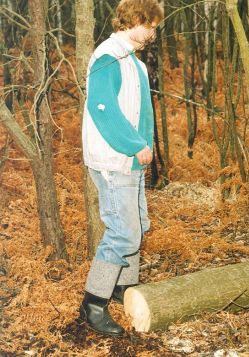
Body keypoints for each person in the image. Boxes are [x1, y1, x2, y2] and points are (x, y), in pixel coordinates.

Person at [79, 0, 163, 336]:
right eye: (152, 25)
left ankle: (122, 287)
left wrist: (145, 150)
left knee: (138, 226)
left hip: (130, 161)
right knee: (122, 232)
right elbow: (103, 111)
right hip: (113, 160)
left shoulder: (134, 62)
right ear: (137, 20)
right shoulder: (108, 56)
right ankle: (93, 304)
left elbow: (141, 113)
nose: (154, 32)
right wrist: (133, 146)